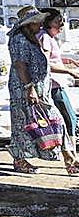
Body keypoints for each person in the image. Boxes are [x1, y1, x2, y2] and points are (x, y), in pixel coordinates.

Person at [7, 7, 78, 174]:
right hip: (24, 90)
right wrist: (29, 88)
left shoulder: (31, 37)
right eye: (37, 21)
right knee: (22, 124)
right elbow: (20, 65)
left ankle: (70, 160)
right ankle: (19, 160)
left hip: (40, 91)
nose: (40, 24)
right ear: (28, 23)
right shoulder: (19, 39)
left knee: (57, 121)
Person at [38, 8, 79, 140]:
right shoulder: (45, 37)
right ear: (47, 23)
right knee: (69, 119)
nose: (61, 24)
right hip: (54, 85)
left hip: (56, 83)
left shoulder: (48, 37)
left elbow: (52, 59)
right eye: (57, 22)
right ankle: (70, 149)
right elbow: (45, 64)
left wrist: (69, 61)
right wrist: (69, 71)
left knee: (69, 117)